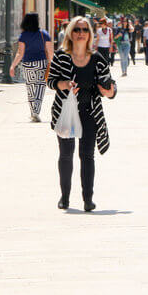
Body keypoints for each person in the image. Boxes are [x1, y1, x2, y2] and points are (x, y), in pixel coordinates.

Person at [47, 16, 116, 211]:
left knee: (87, 156)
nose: (81, 33)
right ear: (70, 32)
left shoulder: (97, 59)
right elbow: (51, 81)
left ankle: (88, 199)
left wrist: (110, 91)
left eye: (85, 30)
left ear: (90, 34)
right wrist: (64, 85)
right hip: (66, 112)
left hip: (89, 112)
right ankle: (65, 197)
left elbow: (109, 83)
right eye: (77, 29)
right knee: (66, 155)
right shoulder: (61, 56)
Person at [9, 12, 54, 122]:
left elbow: (20, 53)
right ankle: (36, 111)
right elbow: (50, 52)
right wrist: (52, 64)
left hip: (27, 64)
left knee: (30, 88)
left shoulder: (23, 36)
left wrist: (13, 66)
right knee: (40, 87)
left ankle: (32, 112)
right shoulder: (44, 34)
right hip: (42, 63)